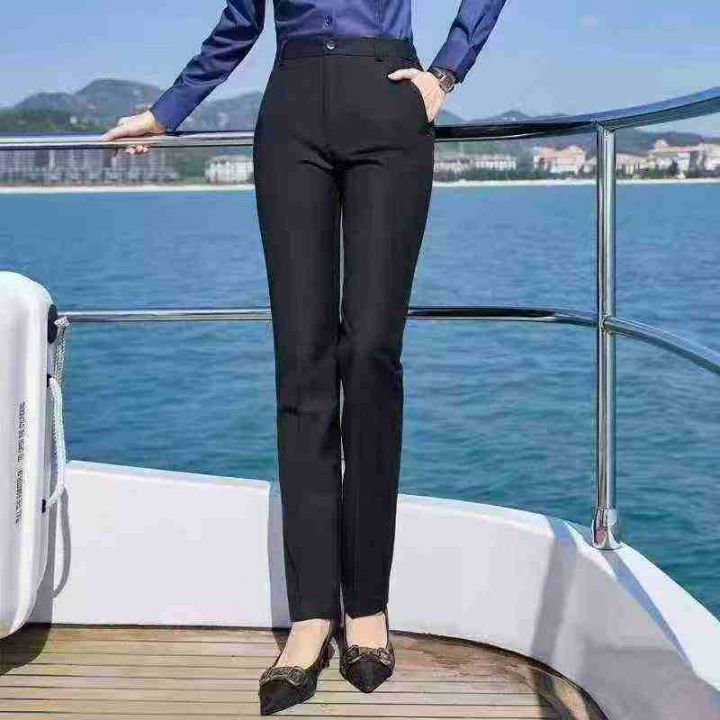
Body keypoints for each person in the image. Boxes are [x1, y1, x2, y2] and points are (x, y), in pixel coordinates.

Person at [104, 0, 507, 714]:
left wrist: (447, 71)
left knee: (372, 354)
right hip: (291, 114)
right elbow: (240, 21)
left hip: (390, 103)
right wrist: (169, 111)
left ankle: (368, 605)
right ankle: (312, 614)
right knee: (302, 364)